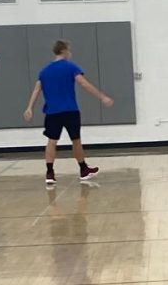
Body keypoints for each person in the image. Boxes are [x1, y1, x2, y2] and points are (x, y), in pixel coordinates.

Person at [23, 40, 114, 188]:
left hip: (52, 112)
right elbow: (84, 84)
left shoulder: (44, 71)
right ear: (64, 50)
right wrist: (102, 97)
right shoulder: (71, 67)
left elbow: (36, 89)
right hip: (70, 110)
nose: (70, 53)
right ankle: (83, 169)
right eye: (69, 50)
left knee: (52, 141)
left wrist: (29, 108)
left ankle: (50, 173)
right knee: (76, 140)